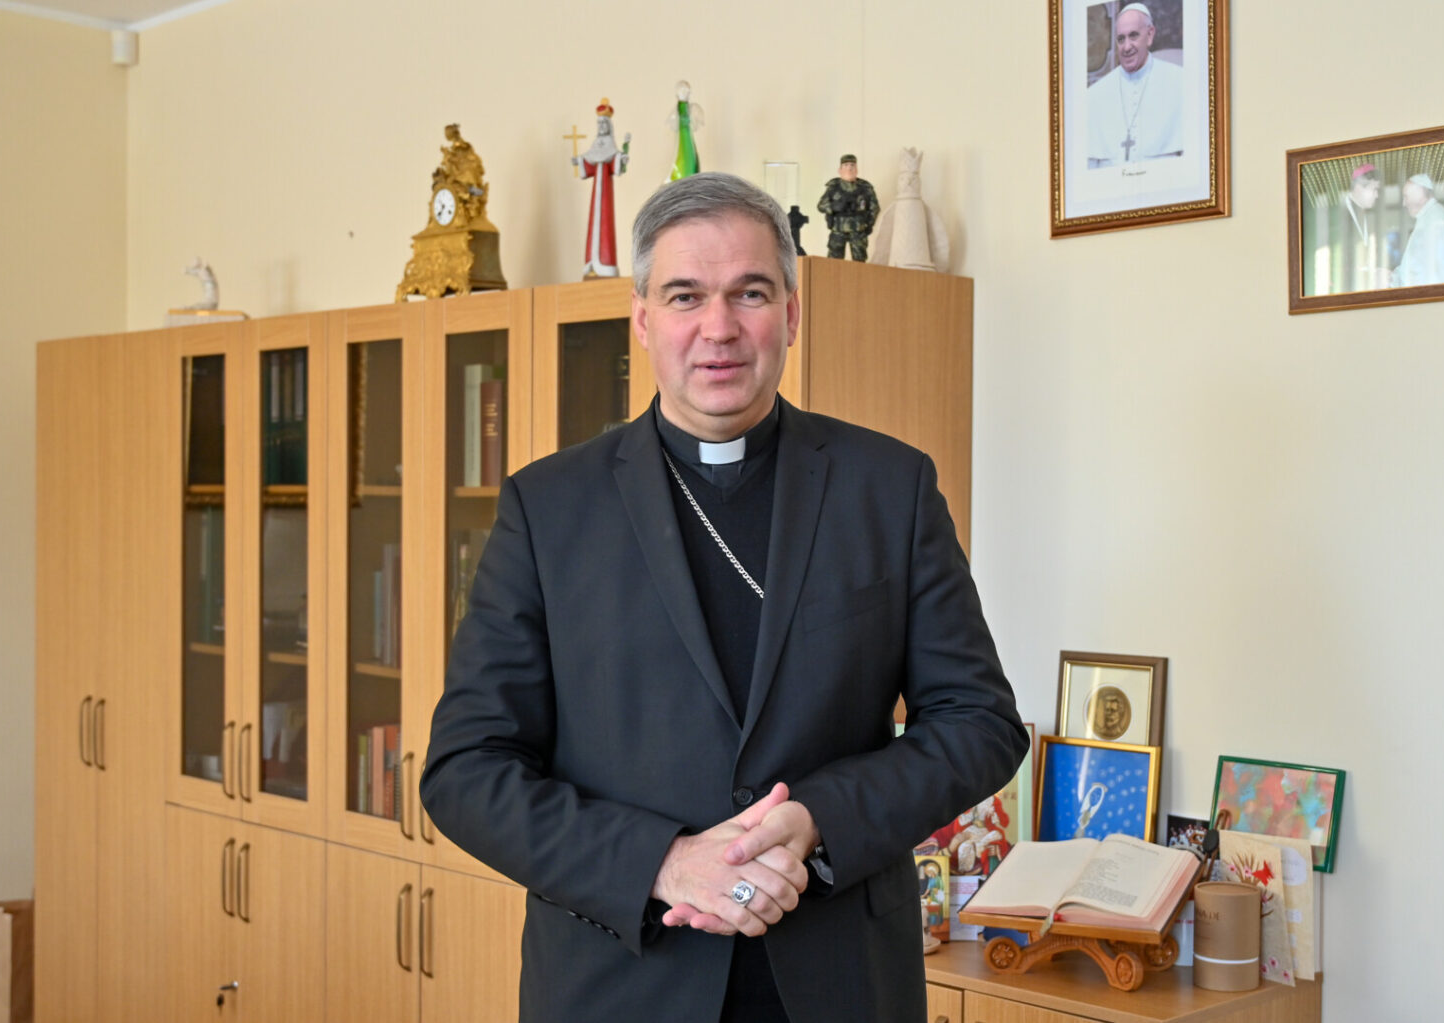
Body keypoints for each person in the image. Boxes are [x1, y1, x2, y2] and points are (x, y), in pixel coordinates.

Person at [421, 171, 1027, 1023]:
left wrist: (819, 818)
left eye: (750, 292)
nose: (719, 327)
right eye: (685, 295)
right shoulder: (548, 508)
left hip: (841, 982)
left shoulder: (888, 488)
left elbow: (979, 722)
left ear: (792, 312)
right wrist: (662, 862)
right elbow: (466, 769)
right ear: (642, 319)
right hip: (619, 986)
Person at [1086, 3, 1184, 168]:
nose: (1126, 47)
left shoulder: (1180, 82)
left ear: (1150, 35)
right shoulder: (1093, 96)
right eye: (1121, 39)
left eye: (1133, 36)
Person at [572, 98, 631, 279]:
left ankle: (605, 264)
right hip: (595, 193)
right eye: (599, 124)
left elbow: (615, 163)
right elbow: (589, 163)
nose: (602, 126)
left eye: (604, 123)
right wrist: (579, 161)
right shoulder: (596, 144)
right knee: (594, 225)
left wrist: (622, 157)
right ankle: (591, 264)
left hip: (605, 193)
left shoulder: (610, 145)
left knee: (604, 224)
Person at [1394, 172, 1444, 287]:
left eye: (1406, 197)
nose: (1404, 203)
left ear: (1420, 195)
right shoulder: (1429, 218)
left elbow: (1438, 273)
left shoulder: (1437, 221)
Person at [1330, 163, 1386, 293]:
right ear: (1359, 188)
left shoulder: (1361, 214)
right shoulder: (1339, 215)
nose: (1377, 195)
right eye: (1374, 189)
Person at [816, 154, 880, 261]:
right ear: (840, 170)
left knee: (859, 261)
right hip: (838, 229)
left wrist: (869, 224)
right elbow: (821, 206)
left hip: (858, 229)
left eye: (852, 165)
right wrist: (833, 207)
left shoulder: (865, 188)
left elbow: (875, 208)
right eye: (846, 165)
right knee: (833, 261)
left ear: (857, 170)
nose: (849, 168)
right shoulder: (833, 187)